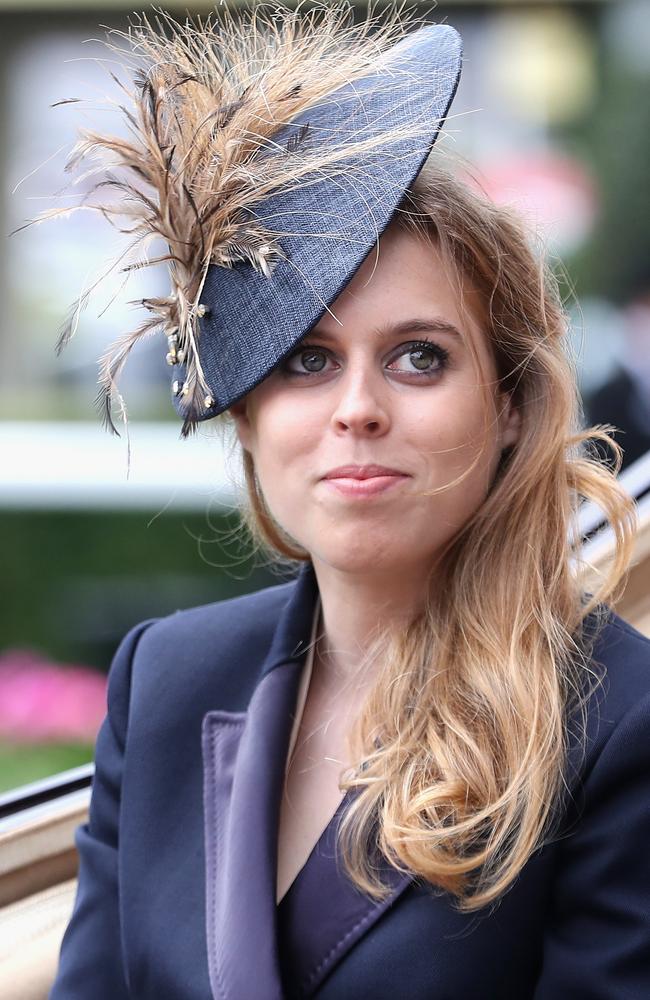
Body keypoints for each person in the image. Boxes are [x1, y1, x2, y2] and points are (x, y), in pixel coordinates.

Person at [44, 3, 650, 998]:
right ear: (246, 415)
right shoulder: (164, 680)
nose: (357, 409)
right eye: (305, 361)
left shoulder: (619, 723)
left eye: (418, 357)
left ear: (505, 406)